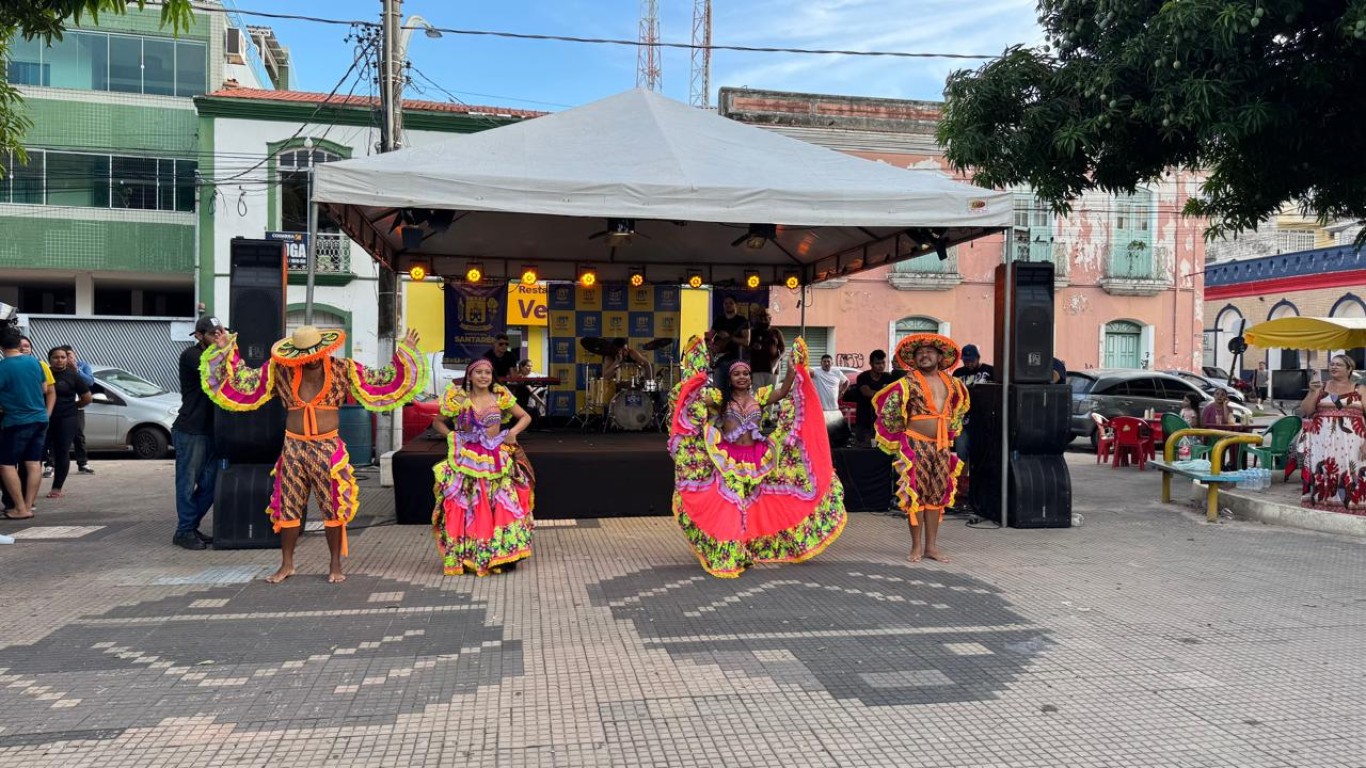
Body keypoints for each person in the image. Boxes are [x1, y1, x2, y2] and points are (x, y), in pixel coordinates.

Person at [202, 325, 427, 584]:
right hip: (294, 448)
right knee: (287, 507)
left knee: (333, 507)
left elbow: (382, 379)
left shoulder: (344, 369)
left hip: (328, 448)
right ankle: (287, 564)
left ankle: (335, 565)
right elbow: (243, 381)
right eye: (304, 356)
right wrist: (225, 349)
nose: (310, 360)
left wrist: (405, 352)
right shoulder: (281, 370)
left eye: (314, 355)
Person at [668, 336, 846, 577]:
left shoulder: (760, 397)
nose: (742, 377)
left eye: (745, 373)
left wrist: (794, 369)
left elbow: (783, 391)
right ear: (729, 379)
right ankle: (730, 550)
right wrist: (697, 375)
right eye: (736, 374)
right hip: (728, 458)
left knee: (753, 504)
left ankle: (749, 545)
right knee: (733, 502)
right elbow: (695, 398)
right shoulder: (720, 399)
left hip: (758, 456)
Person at [431, 358, 535, 576]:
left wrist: (513, 432)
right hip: (466, 458)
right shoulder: (458, 397)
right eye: (478, 372)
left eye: (487, 372)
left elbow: (525, 417)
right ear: (470, 375)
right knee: (469, 505)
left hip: (496, 457)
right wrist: (452, 435)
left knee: (499, 503)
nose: (483, 376)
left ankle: (499, 556)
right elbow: (438, 421)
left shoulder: (499, 394)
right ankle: (469, 556)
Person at [873, 334, 971, 564]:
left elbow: (958, 412)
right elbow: (887, 411)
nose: (924, 355)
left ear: (939, 356)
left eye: (929, 352)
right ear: (913, 359)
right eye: (919, 353)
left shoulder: (953, 384)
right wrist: (901, 440)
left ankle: (931, 547)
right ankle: (916, 546)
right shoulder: (906, 383)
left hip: (942, 446)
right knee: (915, 494)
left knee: (937, 494)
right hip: (915, 443)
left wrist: (950, 431)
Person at [171, 315, 225, 550]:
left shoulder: (218, 352)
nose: (218, 337)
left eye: (220, 332)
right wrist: (224, 349)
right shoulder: (192, 356)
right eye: (213, 333)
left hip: (212, 430)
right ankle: (184, 531)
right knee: (186, 483)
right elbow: (214, 371)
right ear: (200, 336)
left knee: (212, 482)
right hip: (190, 430)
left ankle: (190, 526)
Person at [1297, 354, 1366, 511]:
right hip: (1321, 441)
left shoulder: (1360, 389)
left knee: (1351, 471)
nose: (1333, 367)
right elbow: (1307, 411)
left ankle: (1353, 505)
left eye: (1338, 365)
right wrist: (1312, 392)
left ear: (1349, 369)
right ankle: (1322, 504)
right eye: (1332, 364)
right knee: (1324, 470)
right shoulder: (1320, 387)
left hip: (1353, 442)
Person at [0, 327, 49, 521]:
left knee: (6, 464)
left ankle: (19, 508)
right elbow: (44, 388)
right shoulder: (34, 362)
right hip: (40, 418)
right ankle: (28, 506)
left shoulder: (3, 367)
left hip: (17, 420)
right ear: (19, 343)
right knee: (33, 463)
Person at [44, 346, 91, 499]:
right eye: (56, 357)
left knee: (62, 451)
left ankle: (57, 487)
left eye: (63, 357)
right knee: (38, 452)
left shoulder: (73, 376)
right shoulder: (43, 374)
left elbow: (87, 397)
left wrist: (74, 406)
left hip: (66, 418)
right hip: (43, 417)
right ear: (49, 359)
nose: (59, 360)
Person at [848, 350, 902, 447]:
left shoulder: (888, 377)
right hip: (864, 422)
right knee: (863, 449)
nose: (881, 366)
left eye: (883, 363)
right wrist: (885, 393)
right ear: (871, 363)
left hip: (882, 422)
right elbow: (867, 392)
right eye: (877, 363)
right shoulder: (863, 377)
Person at [66, 345, 95, 475]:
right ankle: (51, 465)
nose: (67, 359)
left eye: (69, 355)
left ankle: (83, 463)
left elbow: (90, 382)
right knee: (55, 437)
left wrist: (76, 370)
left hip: (78, 406)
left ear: (75, 355)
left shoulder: (83, 366)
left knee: (79, 436)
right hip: (61, 406)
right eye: (63, 356)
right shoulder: (57, 369)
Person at [747, 307, 785, 390]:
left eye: (765, 318)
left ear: (770, 318)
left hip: (772, 369)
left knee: (771, 396)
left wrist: (777, 360)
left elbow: (783, 350)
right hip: (757, 369)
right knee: (759, 397)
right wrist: (753, 346)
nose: (763, 320)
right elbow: (746, 347)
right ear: (758, 319)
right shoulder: (753, 332)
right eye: (761, 318)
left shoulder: (776, 332)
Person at [508, 359, 545, 426]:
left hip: (523, 402)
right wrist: (542, 403)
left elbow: (531, 392)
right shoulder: (517, 376)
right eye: (528, 366)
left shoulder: (529, 376)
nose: (530, 368)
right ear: (521, 367)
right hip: (514, 402)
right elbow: (531, 392)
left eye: (531, 366)